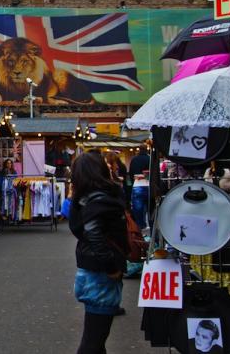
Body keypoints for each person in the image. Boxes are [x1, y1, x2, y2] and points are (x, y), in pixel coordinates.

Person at [69, 151, 129, 354]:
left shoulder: (84, 198)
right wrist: (111, 266)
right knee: (92, 343)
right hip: (100, 274)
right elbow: (94, 234)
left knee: (96, 340)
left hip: (91, 272)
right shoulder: (99, 199)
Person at [128, 145, 150, 229]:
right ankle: (152, 227)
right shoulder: (150, 159)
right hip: (149, 186)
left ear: (139, 150)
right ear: (146, 150)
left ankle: (141, 228)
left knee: (138, 210)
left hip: (137, 185)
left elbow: (130, 173)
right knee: (151, 210)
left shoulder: (134, 159)